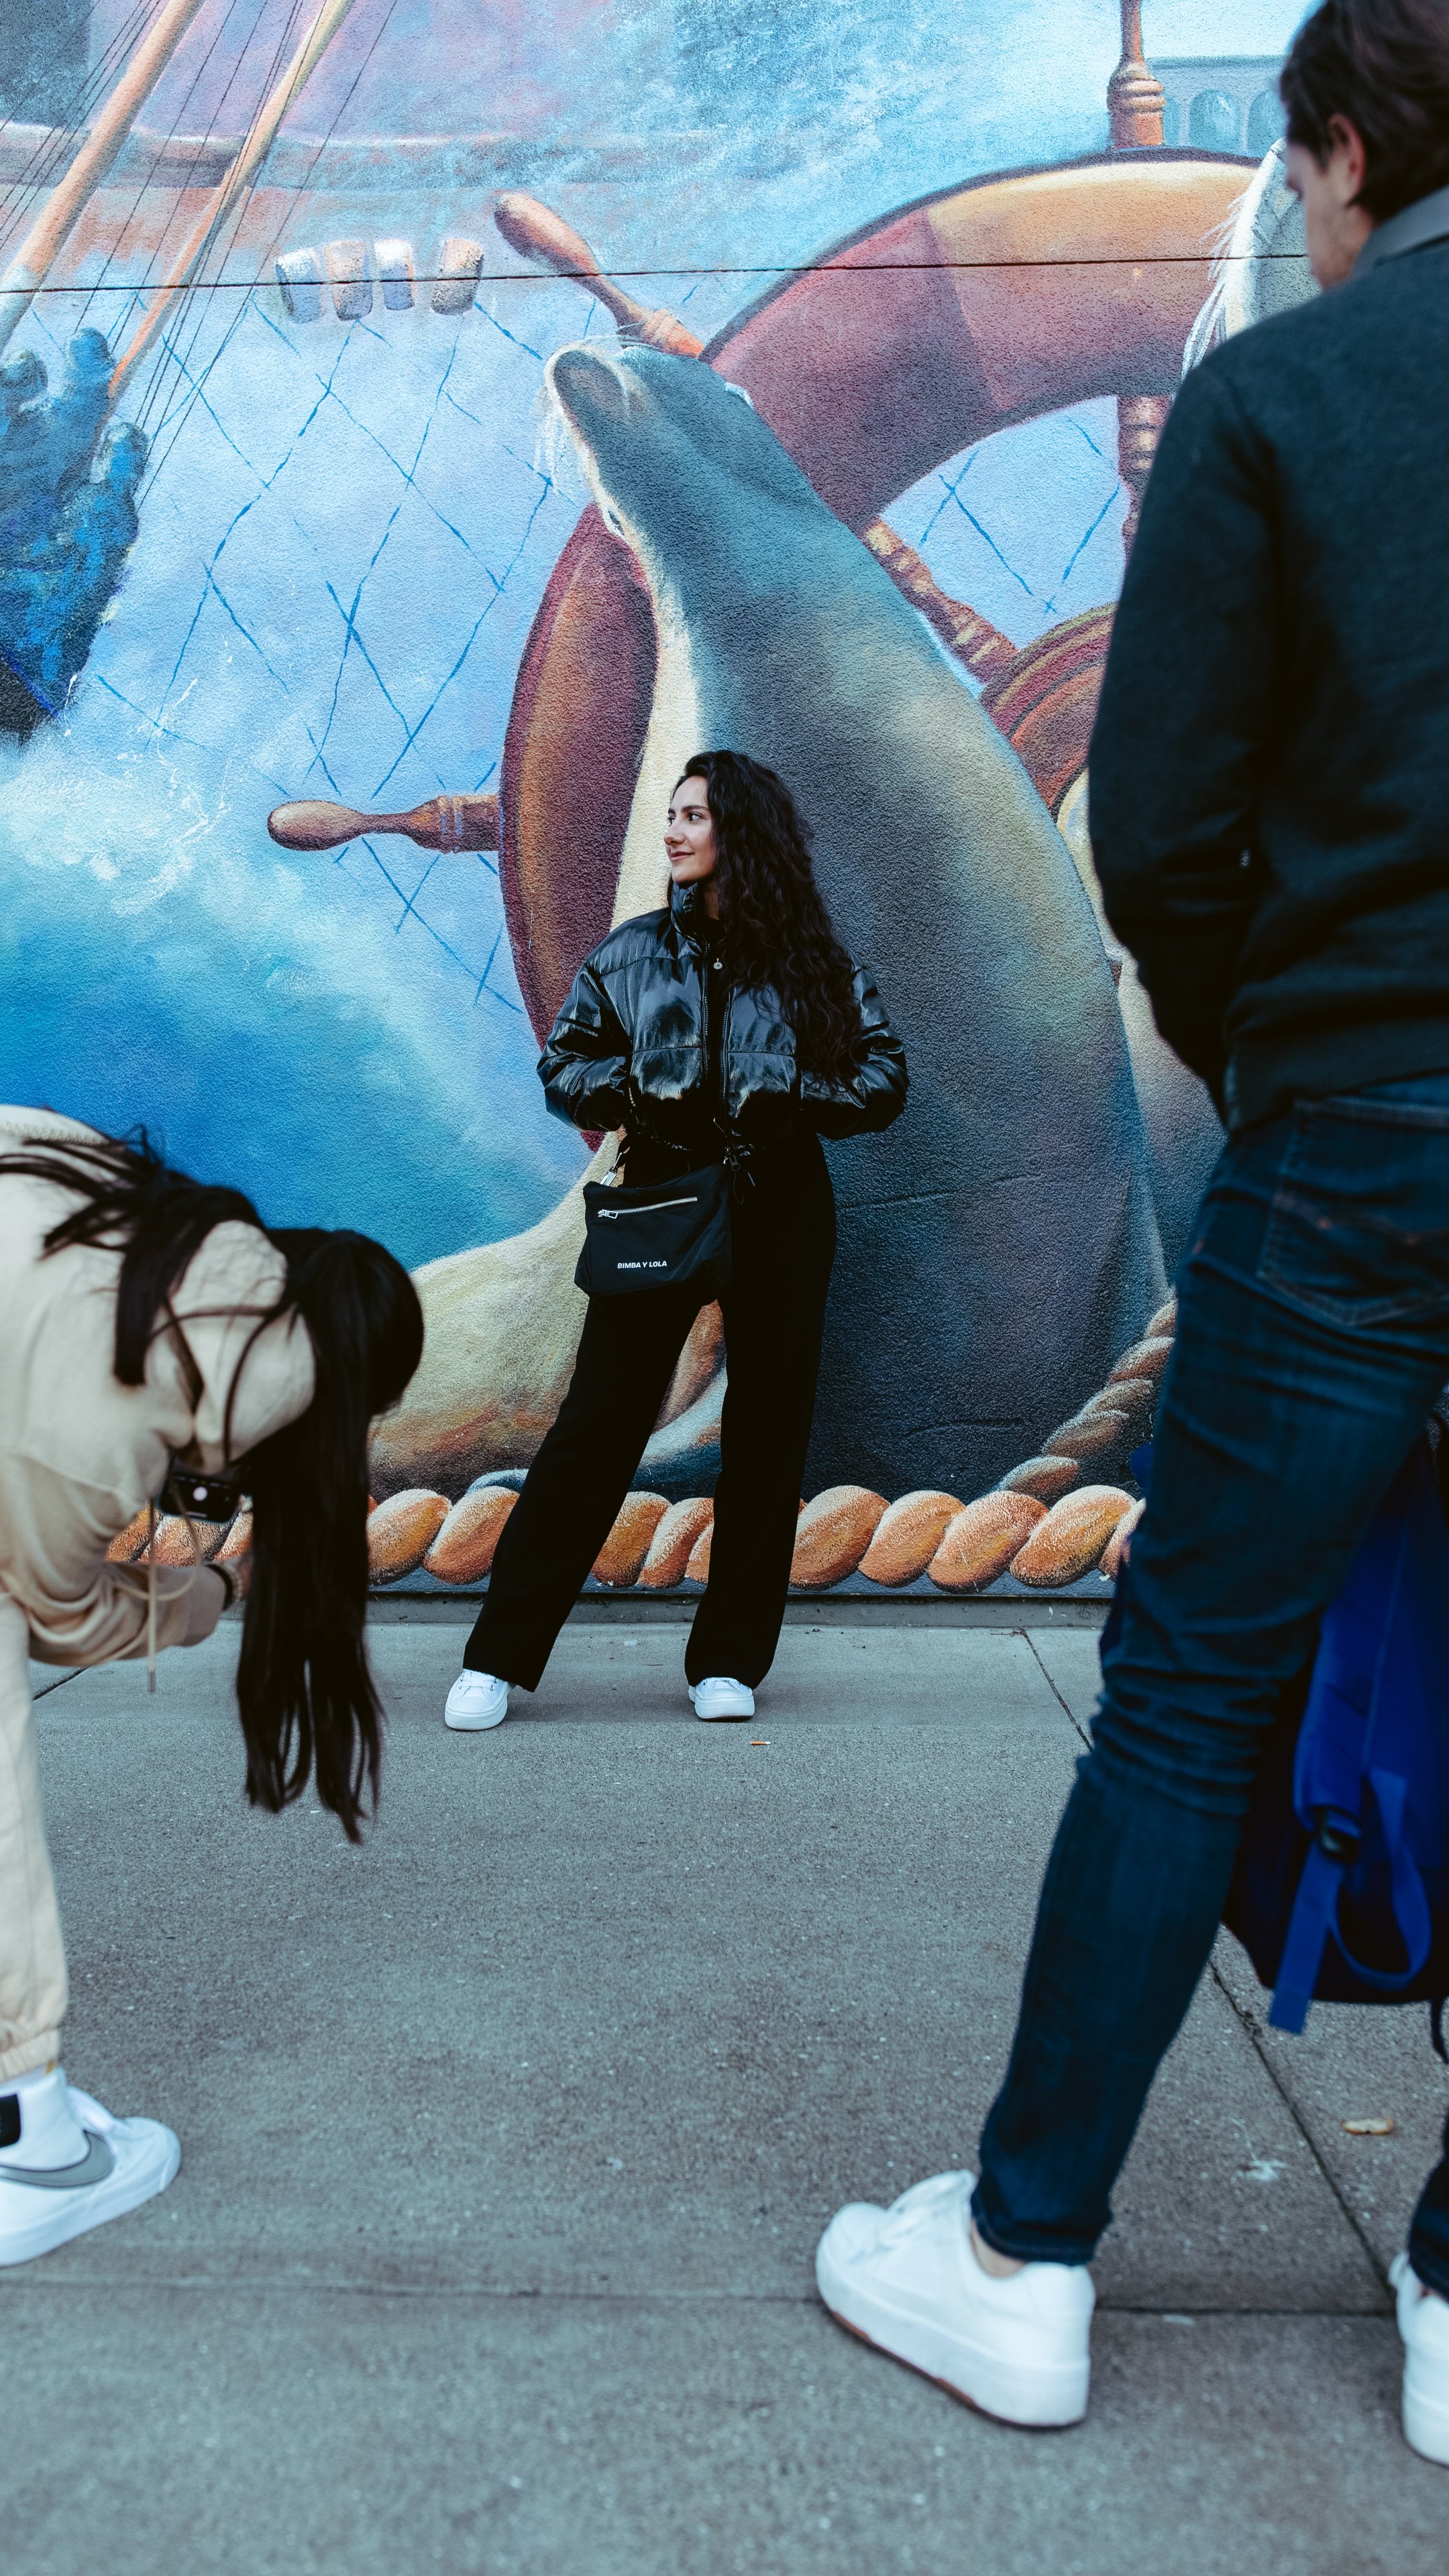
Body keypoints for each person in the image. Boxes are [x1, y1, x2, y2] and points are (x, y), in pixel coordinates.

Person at [814, 0, 1449, 2464]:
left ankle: (1025, 2258)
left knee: (1190, 1690)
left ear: (1342, 152)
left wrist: (1282, 1058)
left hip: (1357, 1140)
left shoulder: (1281, 407)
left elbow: (1164, 838)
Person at [0, 1109, 423, 2265]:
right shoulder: (100, 1422)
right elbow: (55, 1614)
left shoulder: (116, 1195)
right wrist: (207, 1598)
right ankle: (25, 2136)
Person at [445, 749, 907, 1731]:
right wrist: (634, 1093)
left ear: (741, 830)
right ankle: (498, 1657)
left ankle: (728, 1662)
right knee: (598, 1426)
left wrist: (793, 1094)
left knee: (767, 1435)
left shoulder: (812, 962)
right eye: (672, 813)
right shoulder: (631, 954)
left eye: (694, 815)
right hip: (661, 1195)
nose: (673, 831)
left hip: (781, 1204)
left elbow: (882, 1077)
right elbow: (565, 1065)